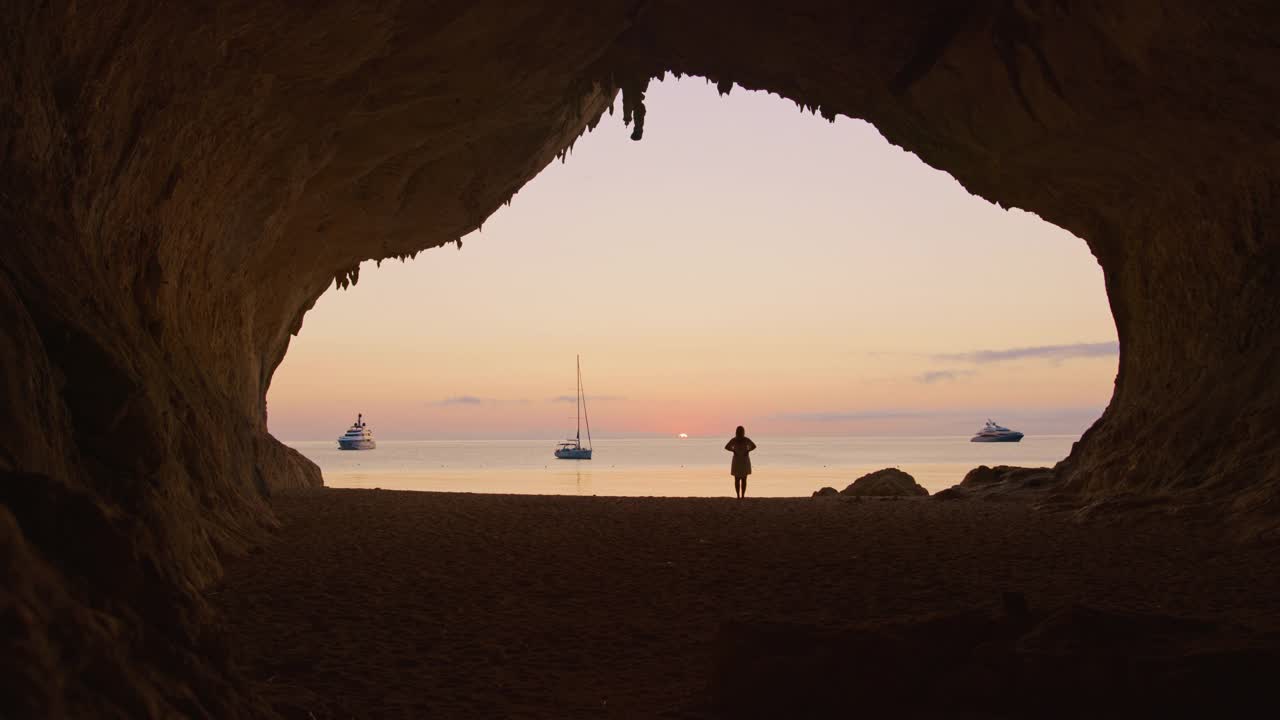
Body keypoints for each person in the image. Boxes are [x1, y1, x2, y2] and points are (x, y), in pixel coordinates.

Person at [724, 426, 757, 499]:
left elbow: (754, 446)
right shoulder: (735, 440)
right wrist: (733, 450)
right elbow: (726, 447)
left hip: (742, 460)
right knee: (740, 479)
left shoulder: (744, 439)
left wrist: (747, 451)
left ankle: (740, 496)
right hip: (739, 460)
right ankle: (740, 496)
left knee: (741, 479)